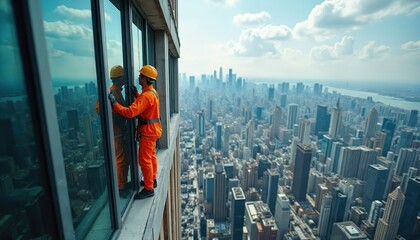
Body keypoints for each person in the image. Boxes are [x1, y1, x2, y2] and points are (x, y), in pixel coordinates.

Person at [108, 65, 162, 199]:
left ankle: (149, 189)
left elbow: (130, 112)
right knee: (151, 156)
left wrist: (114, 104)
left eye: (141, 76)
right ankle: (152, 180)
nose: (139, 77)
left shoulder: (146, 96)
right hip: (154, 129)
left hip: (148, 131)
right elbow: (147, 104)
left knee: (144, 161)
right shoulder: (151, 92)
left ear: (145, 79)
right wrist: (137, 94)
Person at [96, 65, 130, 198]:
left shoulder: (117, 92)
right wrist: (116, 114)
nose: (125, 79)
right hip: (116, 134)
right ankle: (121, 188)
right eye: (123, 77)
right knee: (121, 161)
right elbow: (99, 109)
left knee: (125, 160)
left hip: (120, 134)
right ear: (119, 78)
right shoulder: (111, 92)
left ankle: (123, 184)